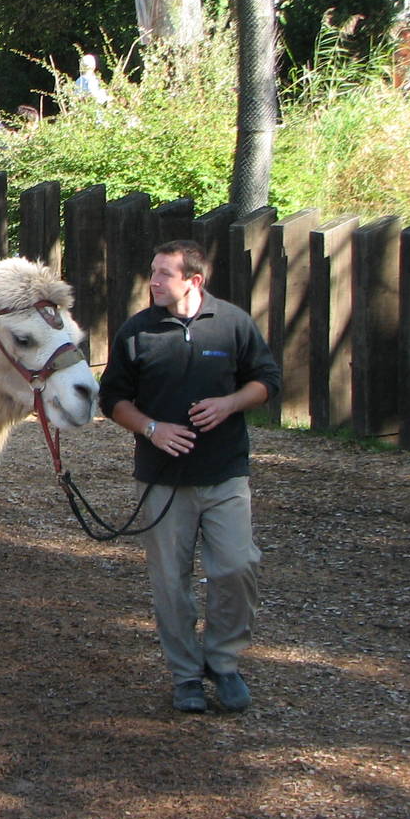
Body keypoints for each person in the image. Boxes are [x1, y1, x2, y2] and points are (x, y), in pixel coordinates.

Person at [98, 240, 280, 715]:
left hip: (225, 474)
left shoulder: (233, 323)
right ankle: (186, 676)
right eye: (153, 271)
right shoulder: (137, 331)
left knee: (237, 566)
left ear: (194, 281)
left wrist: (230, 404)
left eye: (164, 274)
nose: (154, 281)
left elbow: (267, 381)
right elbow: (112, 399)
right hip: (161, 480)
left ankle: (223, 662)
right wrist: (151, 429)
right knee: (170, 582)